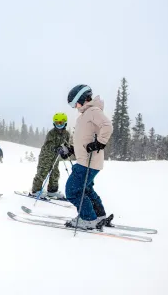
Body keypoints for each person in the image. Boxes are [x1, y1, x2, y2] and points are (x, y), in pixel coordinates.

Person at [64, 84, 113, 230]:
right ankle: (98, 215)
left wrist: (99, 143)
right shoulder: (86, 115)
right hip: (86, 160)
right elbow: (84, 140)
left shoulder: (93, 111)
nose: (76, 107)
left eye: (76, 103)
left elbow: (107, 126)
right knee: (86, 189)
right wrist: (72, 150)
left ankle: (87, 218)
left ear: (83, 99)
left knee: (72, 191)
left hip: (87, 162)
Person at [29, 113, 71, 199]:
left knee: (55, 173)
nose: (59, 125)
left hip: (55, 157)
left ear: (65, 123)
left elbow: (66, 144)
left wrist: (65, 150)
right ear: (54, 123)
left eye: (61, 123)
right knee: (43, 172)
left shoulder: (66, 134)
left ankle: (52, 191)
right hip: (46, 155)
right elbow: (48, 145)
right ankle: (35, 190)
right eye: (57, 123)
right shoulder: (51, 133)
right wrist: (56, 148)